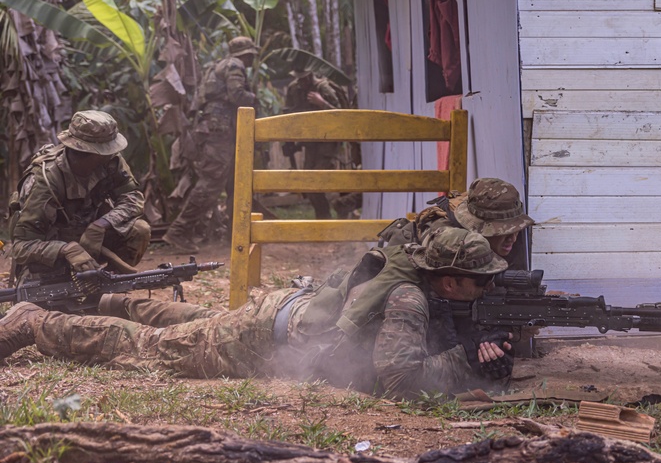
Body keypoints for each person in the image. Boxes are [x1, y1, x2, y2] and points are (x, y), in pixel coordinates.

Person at [0, 227, 514, 399]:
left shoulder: (408, 273)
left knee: (193, 319)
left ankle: (114, 298)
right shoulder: (408, 298)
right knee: (146, 349)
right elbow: (400, 381)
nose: (487, 285)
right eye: (480, 280)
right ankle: (32, 321)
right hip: (260, 340)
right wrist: (464, 361)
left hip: (281, 311)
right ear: (449, 280)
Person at [7, 110, 150, 283]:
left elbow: (133, 198)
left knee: (139, 230)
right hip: (50, 255)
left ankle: (106, 285)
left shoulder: (110, 162)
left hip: (91, 242)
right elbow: (21, 247)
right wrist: (66, 250)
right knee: (48, 306)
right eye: (106, 150)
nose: (112, 154)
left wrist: (101, 225)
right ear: (93, 153)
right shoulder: (46, 180)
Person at [163, 36, 258, 253]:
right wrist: (254, 98)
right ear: (247, 54)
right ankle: (179, 230)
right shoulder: (235, 65)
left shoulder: (216, 66)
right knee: (211, 182)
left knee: (237, 182)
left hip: (216, 130)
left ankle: (234, 233)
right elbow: (237, 95)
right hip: (221, 132)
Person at [381, 177, 535, 269]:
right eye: (503, 231)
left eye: (515, 229)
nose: (513, 238)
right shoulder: (447, 239)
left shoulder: (512, 239)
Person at [281, 68, 360, 219]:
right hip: (310, 141)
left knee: (319, 179)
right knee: (308, 183)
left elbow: (340, 116)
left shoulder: (323, 88)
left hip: (328, 141)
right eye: (299, 78)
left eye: (304, 78)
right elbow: (289, 113)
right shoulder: (294, 89)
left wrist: (322, 103)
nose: (301, 81)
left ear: (310, 76)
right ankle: (323, 217)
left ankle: (343, 207)